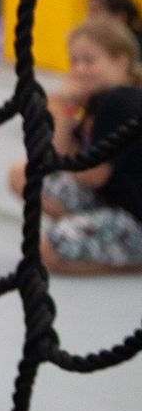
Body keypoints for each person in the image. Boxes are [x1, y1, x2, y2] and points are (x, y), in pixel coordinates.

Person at [8, 19, 142, 275]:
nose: (79, 70)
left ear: (121, 62)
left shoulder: (122, 101)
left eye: (89, 61)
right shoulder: (97, 99)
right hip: (111, 199)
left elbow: (93, 174)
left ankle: (128, 255)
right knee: (22, 173)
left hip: (134, 215)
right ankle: (91, 231)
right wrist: (65, 111)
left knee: (47, 250)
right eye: (75, 61)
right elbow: (57, 158)